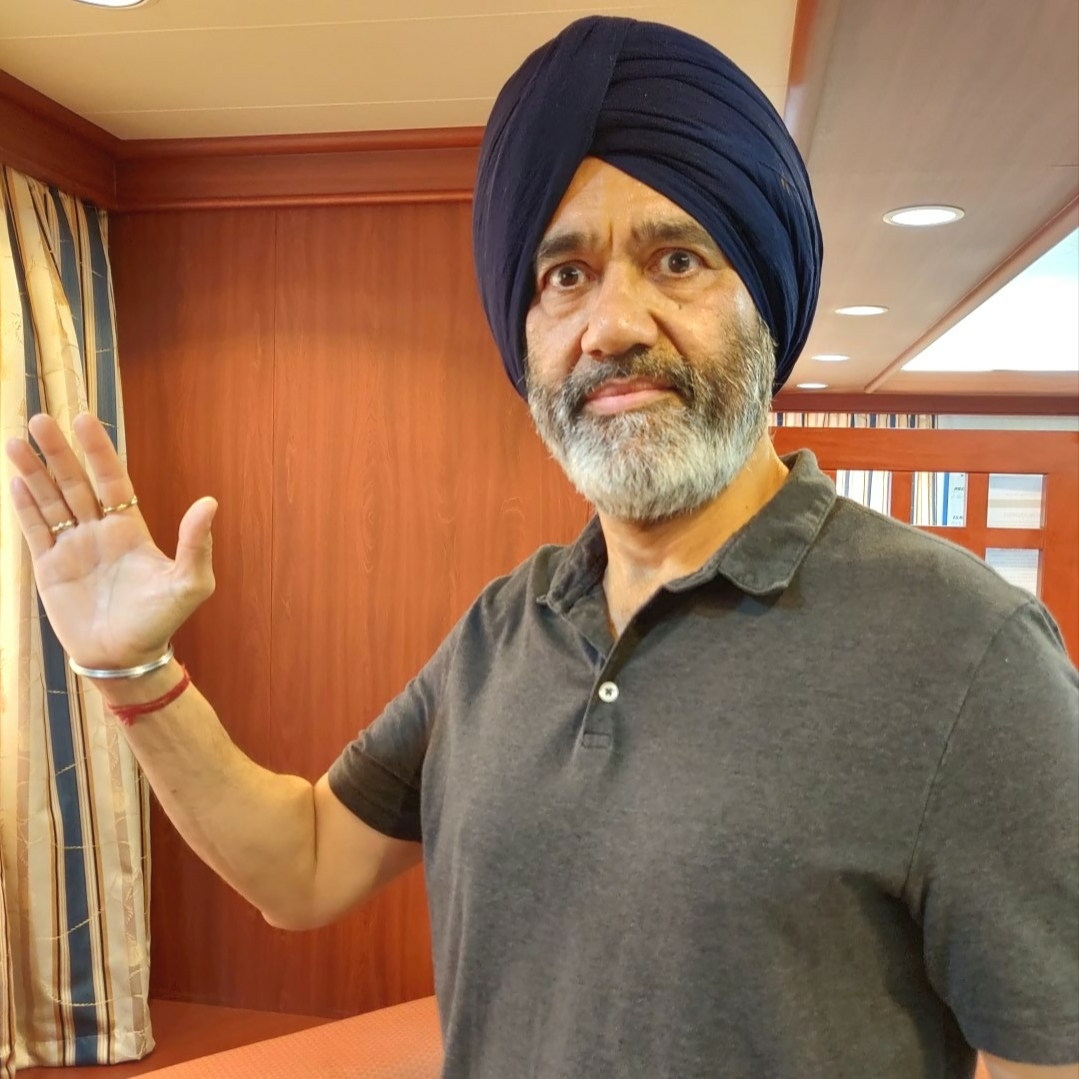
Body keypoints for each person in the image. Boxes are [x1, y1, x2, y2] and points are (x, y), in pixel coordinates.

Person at [5, 15, 1077, 1079]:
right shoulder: (503, 628)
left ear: (766, 298)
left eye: (675, 258)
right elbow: (307, 863)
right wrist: (130, 670)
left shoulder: (966, 650)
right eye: (564, 274)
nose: (612, 325)